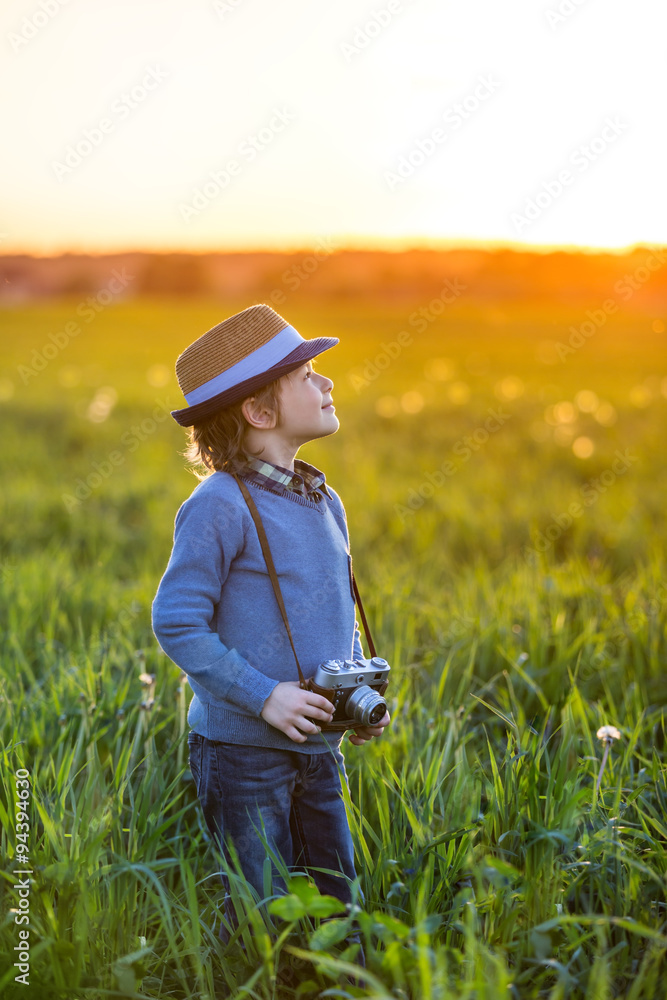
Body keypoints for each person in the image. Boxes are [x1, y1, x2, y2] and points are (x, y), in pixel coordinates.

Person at [151, 303, 391, 971]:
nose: (327, 384)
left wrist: (357, 700)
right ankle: (256, 984)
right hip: (242, 752)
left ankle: (334, 983)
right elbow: (176, 620)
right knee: (259, 909)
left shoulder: (322, 497)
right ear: (259, 413)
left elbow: (331, 621)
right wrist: (263, 696)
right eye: (308, 375)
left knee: (336, 894)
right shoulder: (218, 505)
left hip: (317, 744)